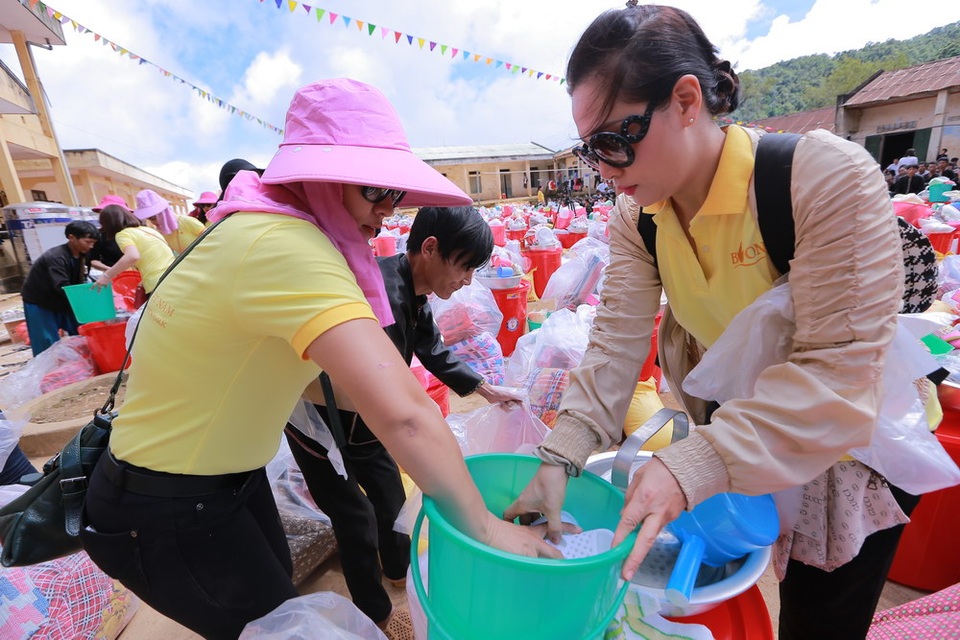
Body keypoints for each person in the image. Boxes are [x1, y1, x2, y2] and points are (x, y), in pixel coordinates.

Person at [79, 78, 562, 640]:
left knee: (280, 605)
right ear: (318, 177)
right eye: (370, 192)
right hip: (168, 503)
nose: (384, 212)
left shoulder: (260, 225)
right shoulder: (286, 246)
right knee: (275, 621)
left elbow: (348, 386)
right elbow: (403, 411)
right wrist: (482, 526)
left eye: (393, 195)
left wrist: (430, 428)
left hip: (226, 478)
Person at [503, 5, 920, 640]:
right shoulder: (638, 217)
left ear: (687, 99)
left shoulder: (819, 179)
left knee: (821, 613)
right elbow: (615, 342)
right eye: (592, 151)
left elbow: (839, 372)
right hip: (745, 433)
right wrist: (560, 457)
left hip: (848, 444)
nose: (607, 169)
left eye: (615, 140)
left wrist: (692, 464)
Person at [285, 205, 523, 627]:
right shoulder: (375, 290)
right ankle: (375, 618)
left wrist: (485, 389)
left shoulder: (413, 290)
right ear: (430, 248)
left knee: (391, 498)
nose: (468, 280)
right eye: (465, 267)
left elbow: (431, 348)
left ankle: (396, 573)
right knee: (353, 517)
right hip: (319, 422)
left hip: (365, 420)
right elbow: (400, 410)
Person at [19, 220, 99, 356]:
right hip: (39, 301)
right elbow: (61, 285)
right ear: (72, 238)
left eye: (93, 243)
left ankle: (83, 364)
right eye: (87, 242)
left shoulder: (82, 254)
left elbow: (79, 280)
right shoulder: (56, 256)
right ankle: (48, 373)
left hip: (64, 298)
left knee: (82, 331)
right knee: (46, 343)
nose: (91, 246)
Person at [93, 204, 174, 300]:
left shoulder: (123, 234)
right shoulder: (148, 230)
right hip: (173, 276)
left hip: (157, 282)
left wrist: (107, 276)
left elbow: (132, 256)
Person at [132, 189, 205, 255]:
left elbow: (209, 238)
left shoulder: (186, 221)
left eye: (153, 218)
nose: (153, 223)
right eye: (149, 219)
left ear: (164, 213)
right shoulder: (162, 232)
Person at [88, 195, 129, 271]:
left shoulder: (134, 231)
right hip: (114, 277)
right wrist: (111, 270)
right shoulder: (99, 235)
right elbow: (93, 259)